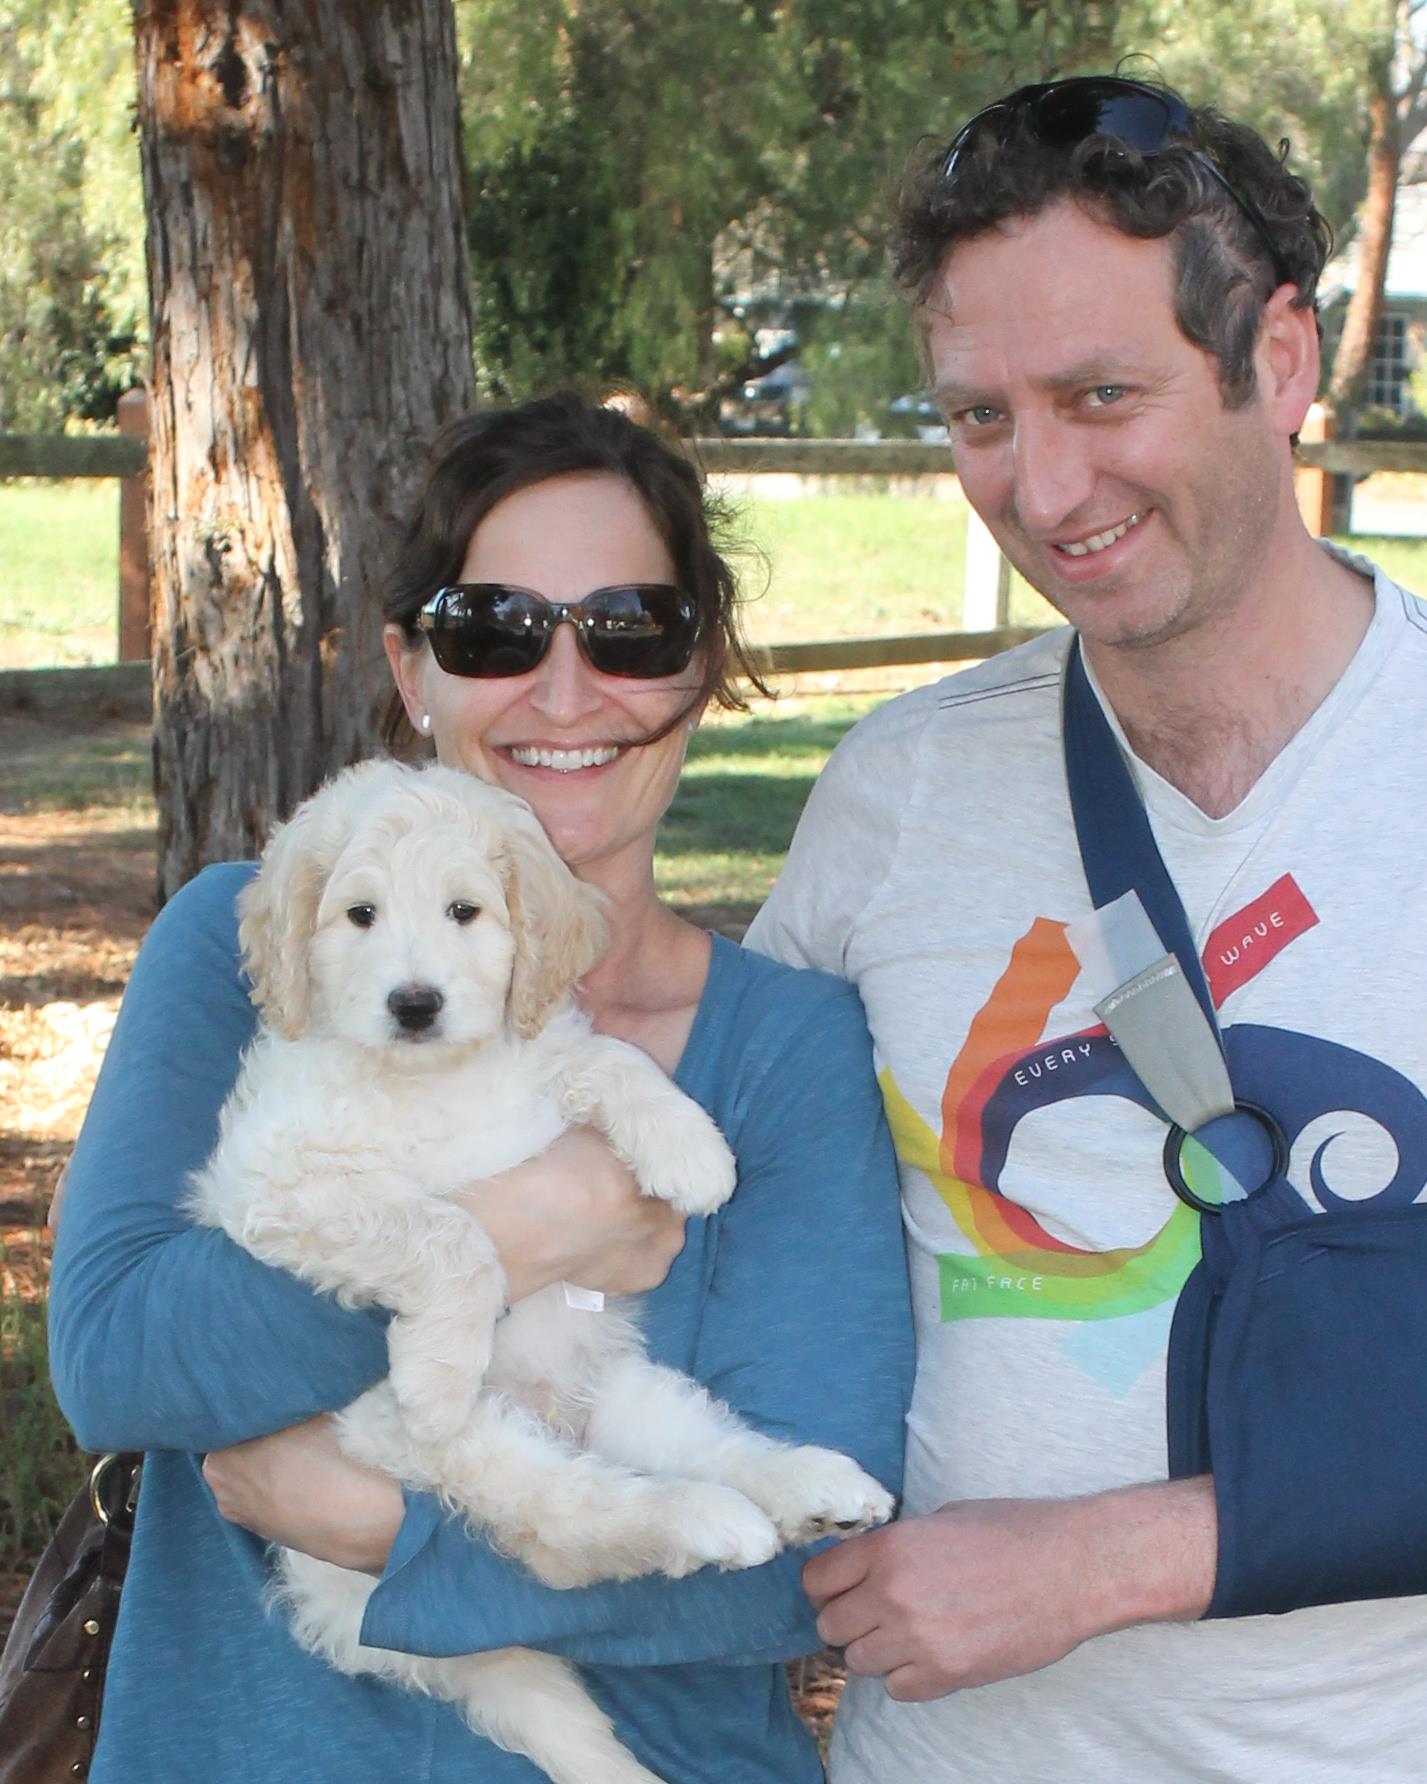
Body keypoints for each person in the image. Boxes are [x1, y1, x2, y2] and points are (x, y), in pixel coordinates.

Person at [48, 390, 914, 1783]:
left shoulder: (786, 1049)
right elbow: (119, 1363)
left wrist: (389, 1532)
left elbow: (798, 1575)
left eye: (631, 629)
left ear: (702, 669)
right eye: (493, 633)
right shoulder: (248, 939)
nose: (564, 694)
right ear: (413, 671)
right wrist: (537, 1226)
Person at [746, 75, 1427, 1783]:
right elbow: (710, 1234)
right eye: (981, 417)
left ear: (1278, 362)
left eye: (1101, 396)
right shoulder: (897, 794)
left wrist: (1099, 1563)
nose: (1042, 492)